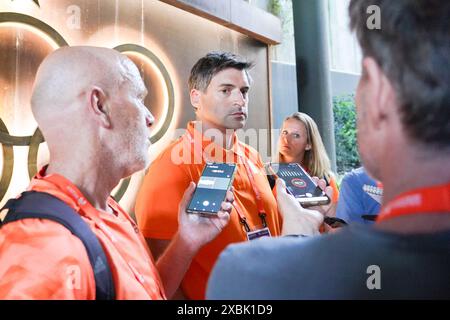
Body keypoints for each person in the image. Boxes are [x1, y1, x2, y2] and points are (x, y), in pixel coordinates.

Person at [207, 0, 450, 299]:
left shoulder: (245, 274)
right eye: (284, 133)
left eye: (243, 91)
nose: (238, 100)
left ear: (379, 93)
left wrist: (295, 240)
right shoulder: (262, 166)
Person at [0, 46, 233, 299]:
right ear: (100, 105)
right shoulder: (42, 249)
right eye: (139, 98)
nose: (151, 117)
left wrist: (187, 240)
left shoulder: (107, 207)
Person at [135, 52, 282, 299]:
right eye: (226, 90)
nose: (239, 100)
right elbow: (159, 281)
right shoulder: (172, 167)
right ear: (196, 97)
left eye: (244, 91)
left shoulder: (252, 156)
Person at [275, 112, 339, 205]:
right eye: (285, 132)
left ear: (308, 144)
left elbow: (336, 216)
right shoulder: (266, 174)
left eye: (295, 135)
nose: (286, 139)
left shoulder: (325, 180)